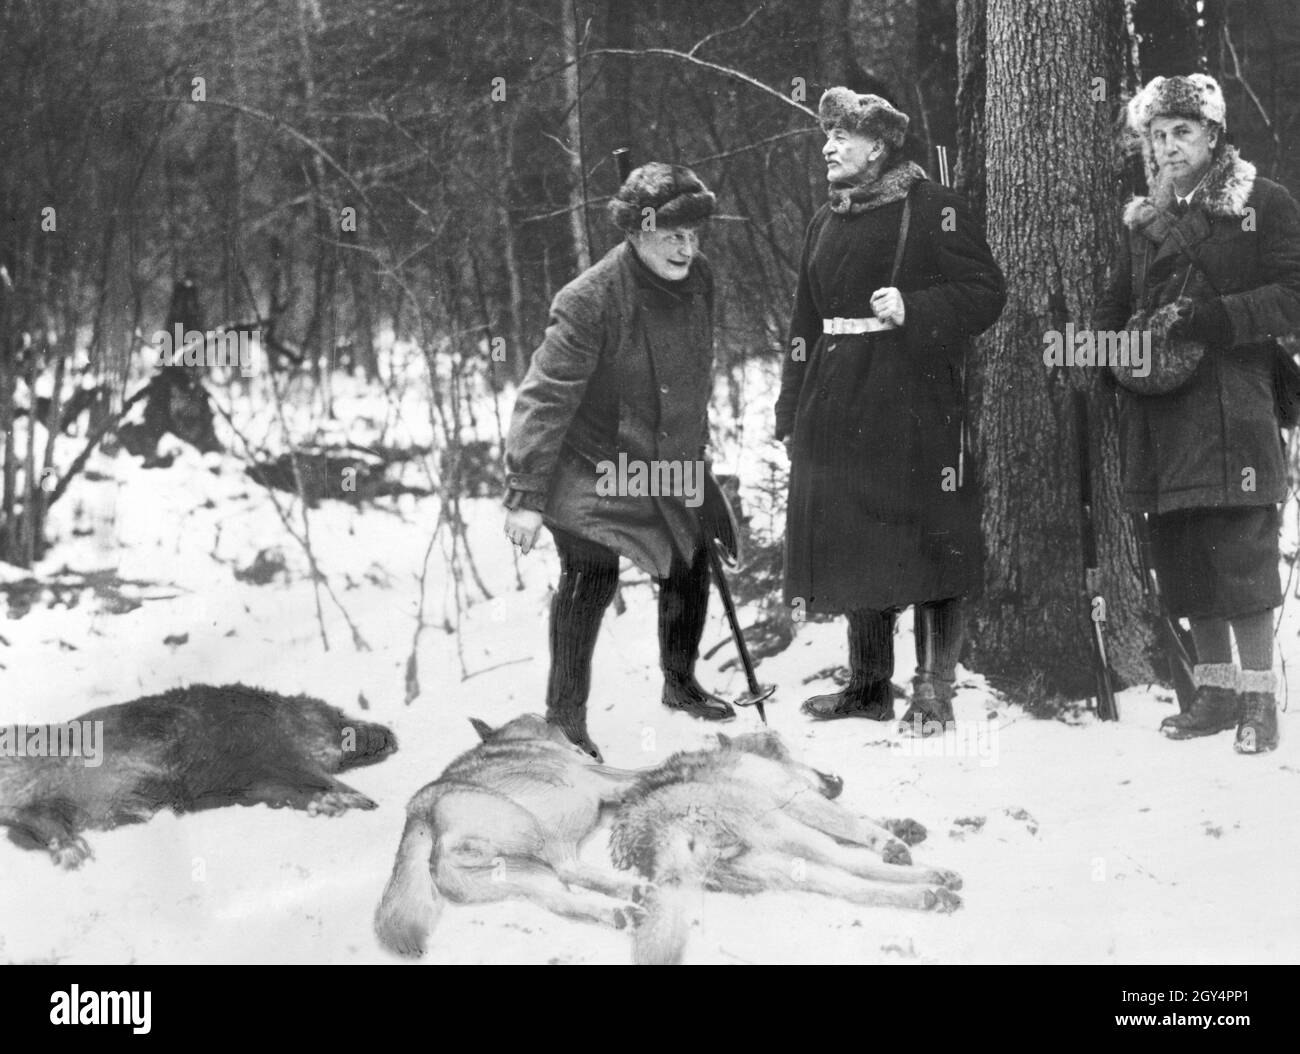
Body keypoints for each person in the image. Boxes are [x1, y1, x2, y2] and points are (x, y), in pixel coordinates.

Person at [775, 88, 1006, 736]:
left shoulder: (933, 207)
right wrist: (790, 408)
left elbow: (987, 292)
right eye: (825, 135)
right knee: (854, 541)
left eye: (842, 136)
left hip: (913, 399)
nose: (827, 146)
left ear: (878, 145)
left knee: (932, 541)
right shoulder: (826, 221)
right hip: (835, 399)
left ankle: (933, 692)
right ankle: (869, 685)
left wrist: (915, 308)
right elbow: (803, 323)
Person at [1095, 74, 1300, 754]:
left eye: (1182, 131)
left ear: (1213, 136)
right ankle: (1214, 694)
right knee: (1183, 552)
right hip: (1159, 405)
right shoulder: (1141, 222)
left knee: (1241, 552)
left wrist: (1220, 317)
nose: (1168, 145)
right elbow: (1116, 304)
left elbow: (1294, 295)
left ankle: (1261, 703)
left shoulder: (1261, 203)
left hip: (1234, 398)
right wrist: (1094, 359)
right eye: (1157, 135)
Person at [503, 163, 733, 761]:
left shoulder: (700, 278)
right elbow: (545, 396)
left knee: (690, 556)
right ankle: (566, 719)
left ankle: (680, 684)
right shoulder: (589, 299)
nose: (686, 247)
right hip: (587, 461)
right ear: (636, 232)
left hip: (661, 458)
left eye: (693, 233)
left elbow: (692, 381)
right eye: (671, 235)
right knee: (591, 573)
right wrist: (525, 495)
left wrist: (696, 465)